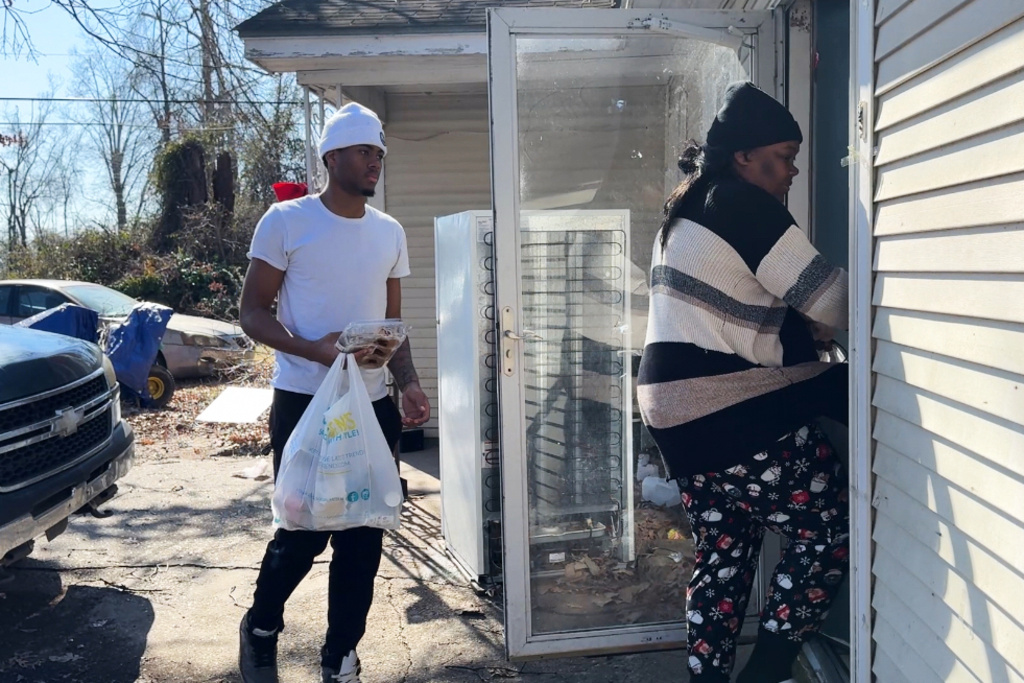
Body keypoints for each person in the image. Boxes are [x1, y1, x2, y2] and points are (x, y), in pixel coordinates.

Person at [637, 82, 849, 683]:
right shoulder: (742, 204)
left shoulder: (688, 208)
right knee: (828, 529)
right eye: (783, 156)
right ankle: (767, 674)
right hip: (719, 403)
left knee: (725, 553)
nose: (792, 172)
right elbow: (834, 301)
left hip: (674, 408)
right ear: (744, 156)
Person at [236, 102, 431, 683]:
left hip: (371, 406)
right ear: (332, 156)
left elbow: (392, 325)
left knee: (363, 538)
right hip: (304, 403)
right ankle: (262, 626)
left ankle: (340, 656)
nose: (375, 162)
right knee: (303, 533)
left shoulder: (390, 232)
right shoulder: (286, 221)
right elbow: (251, 313)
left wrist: (411, 382)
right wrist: (313, 349)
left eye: (379, 153)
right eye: (364, 151)